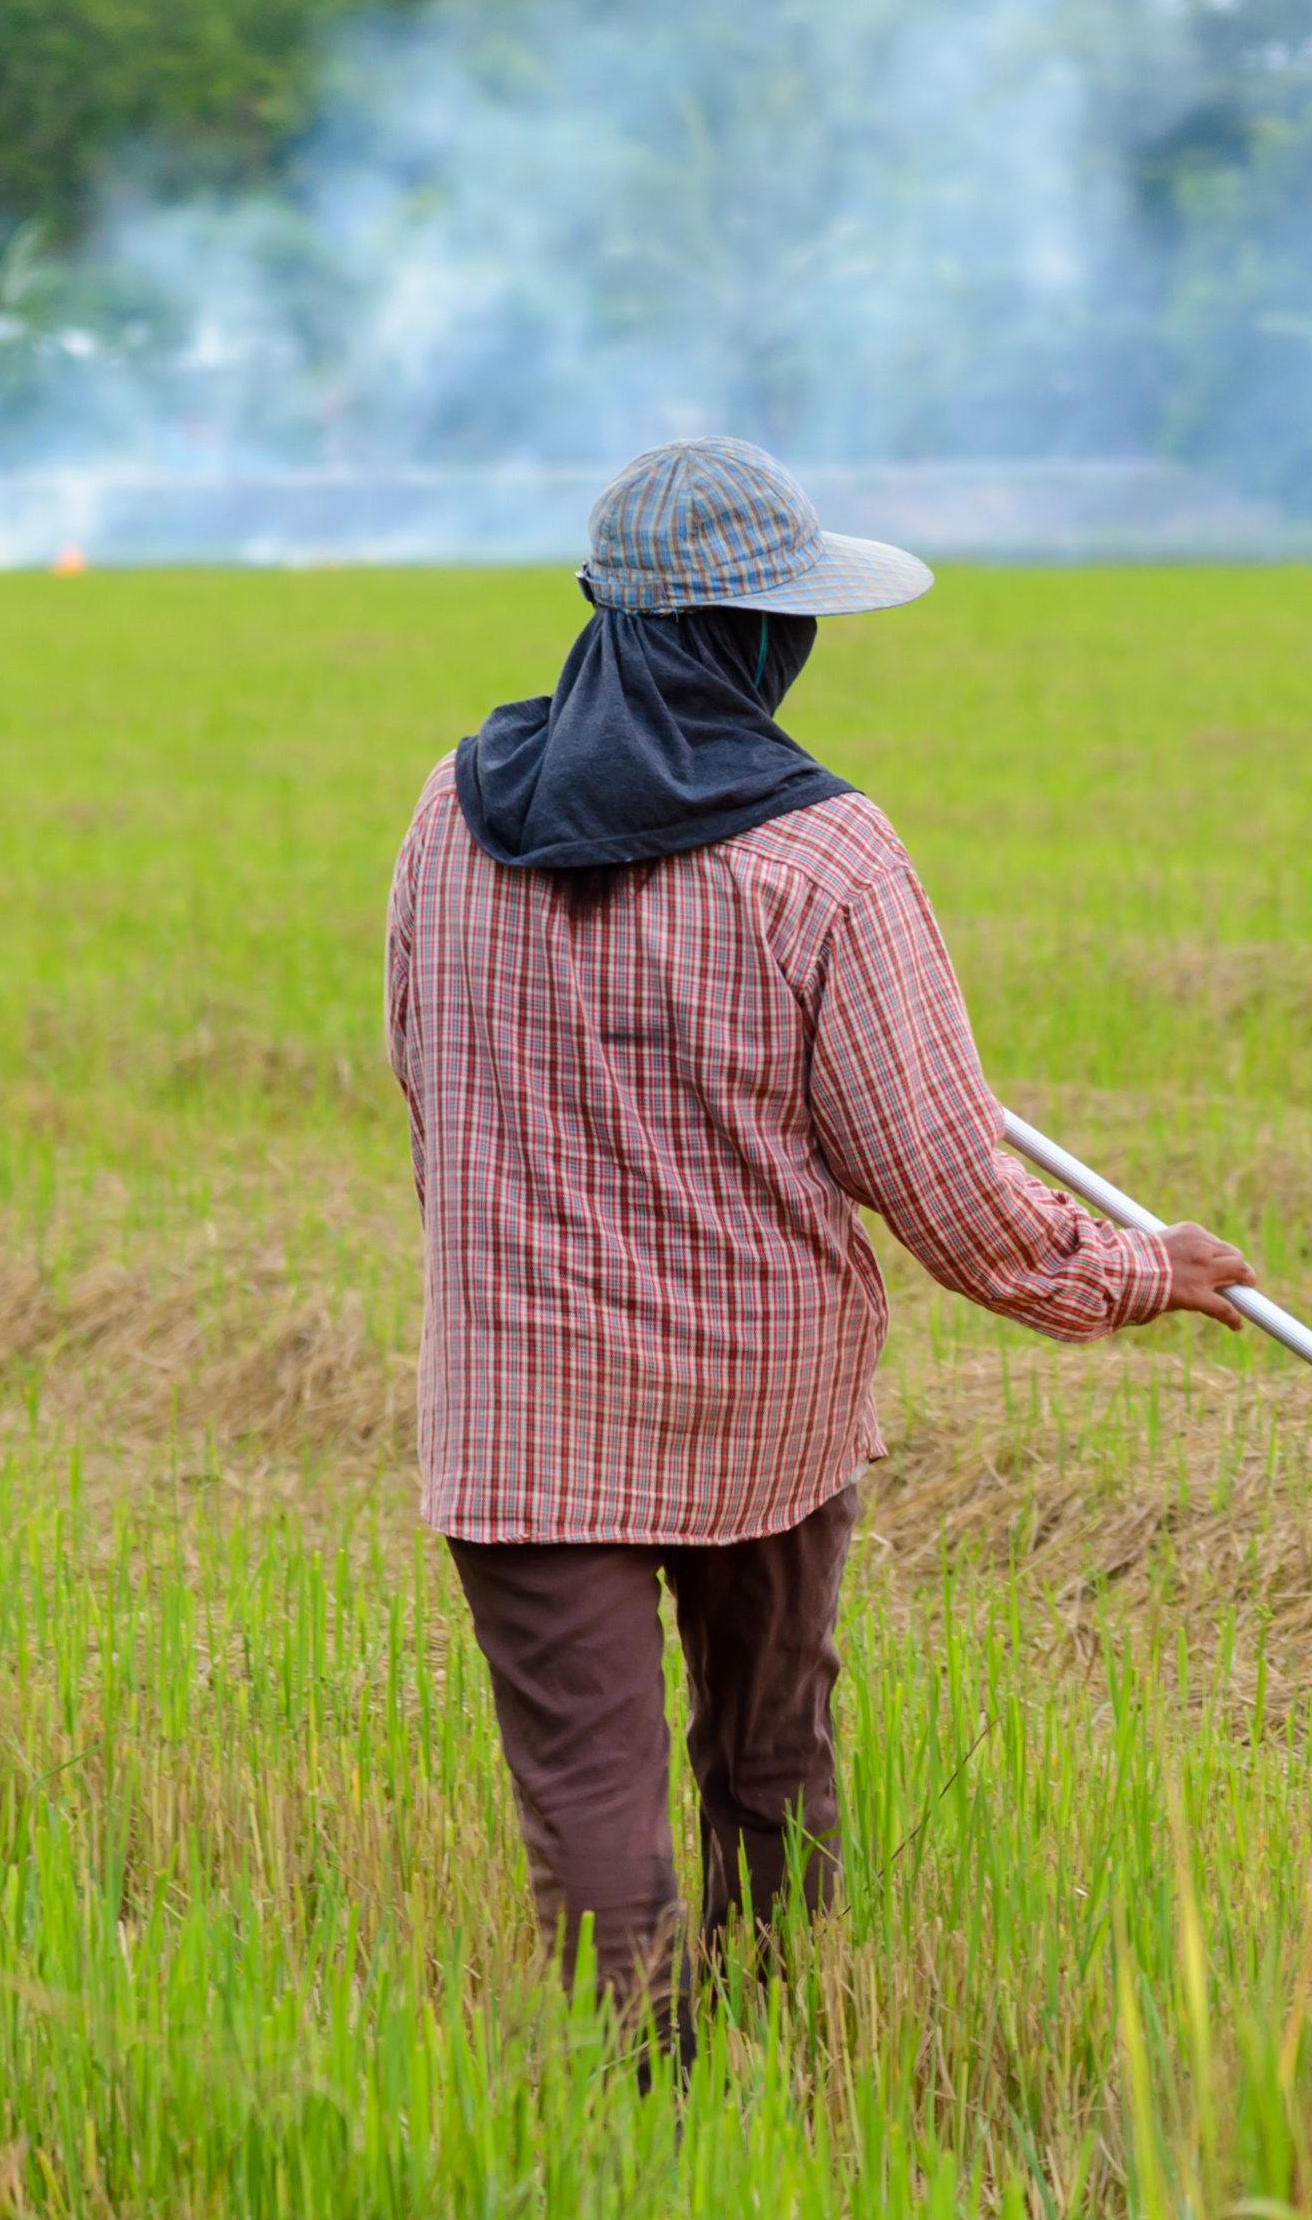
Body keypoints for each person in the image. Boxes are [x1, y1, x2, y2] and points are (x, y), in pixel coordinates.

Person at [384, 438, 1251, 2066]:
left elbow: (428, 1078)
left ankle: (633, 2109)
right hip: (755, 1400)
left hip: (517, 1403)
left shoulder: (453, 806)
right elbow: (943, 1185)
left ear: (604, 614)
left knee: (589, 1795)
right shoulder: (824, 853)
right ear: (759, 640)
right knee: (769, 1746)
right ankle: (781, 2034)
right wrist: (1140, 1268)